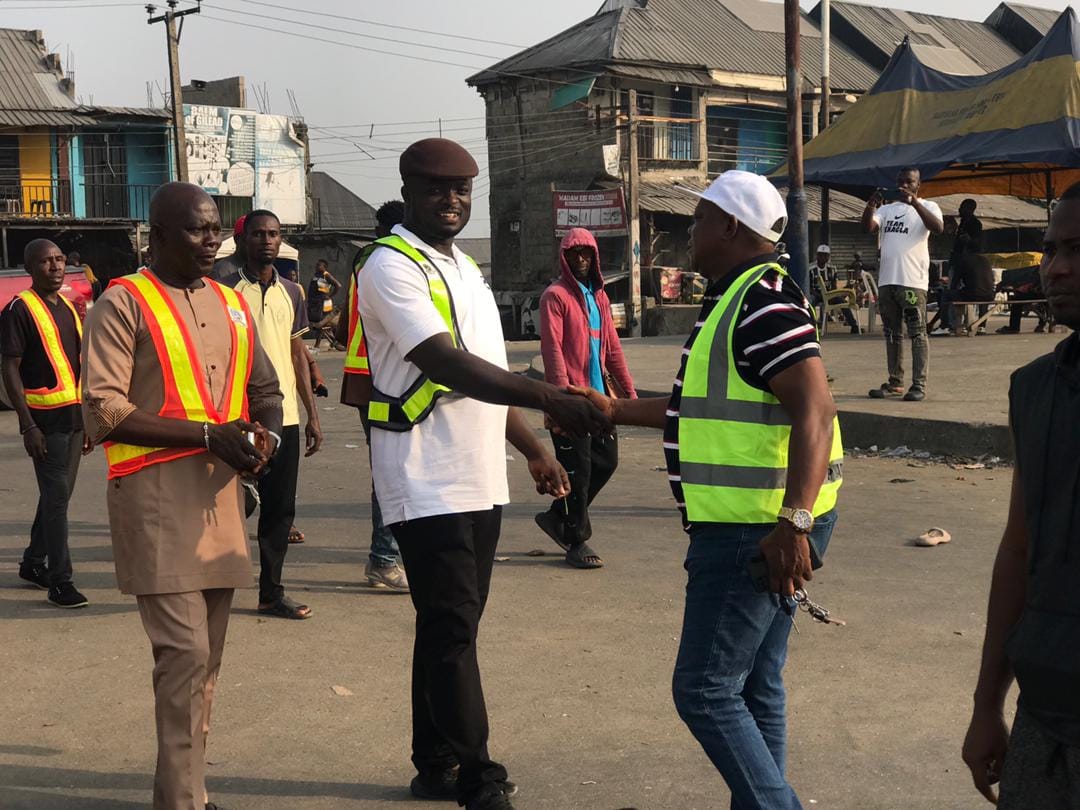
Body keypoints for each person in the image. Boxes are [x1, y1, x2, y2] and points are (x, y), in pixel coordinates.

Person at [571, 171, 843, 808]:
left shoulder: (761, 301)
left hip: (757, 527)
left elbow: (816, 409)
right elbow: (702, 407)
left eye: (697, 220)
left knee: (704, 689)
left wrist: (794, 525)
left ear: (729, 227)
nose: (688, 233)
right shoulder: (739, 298)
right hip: (762, 521)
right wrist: (613, 410)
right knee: (755, 686)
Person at [356, 138, 609, 810]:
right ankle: (479, 775)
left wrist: (530, 447)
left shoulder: (465, 268)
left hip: (477, 475)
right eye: (438, 189)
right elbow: (445, 364)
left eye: (463, 190)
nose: (452, 201)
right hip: (422, 474)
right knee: (452, 623)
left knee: (449, 628)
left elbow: (485, 381)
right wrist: (549, 398)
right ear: (408, 190)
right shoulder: (390, 265)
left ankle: (433, 762)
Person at [81, 182, 284, 810]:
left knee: (207, 662)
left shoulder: (232, 303)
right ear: (159, 235)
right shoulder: (123, 303)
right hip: (153, 497)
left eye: (216, 228)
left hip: (220, 498)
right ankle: (181, 800)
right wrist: (205, 434)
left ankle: (190, 788)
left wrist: (268, 434)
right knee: (185, 655)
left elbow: (267, 386)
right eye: (197, 230)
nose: (212, 240)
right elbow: (103, 408)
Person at [962, 181, 1080, 809]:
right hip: (1043, 712)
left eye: (1078, 250)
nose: (1057, 267)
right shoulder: (1034, 389)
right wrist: (987, 705)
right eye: (1052, 248)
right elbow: (1018, 544)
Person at [222, 209, 323, 617]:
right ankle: (208, 583)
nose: (267, 240)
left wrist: (312, 413)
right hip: (240, 417)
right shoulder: (224, 290)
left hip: (286, 420)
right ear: (243, 240)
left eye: (274, 234)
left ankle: (271, 592)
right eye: (259, 233)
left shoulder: (293, 293)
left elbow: (298, 353)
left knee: (280, 509)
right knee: (233, 506)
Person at [535, 226, 636, 569]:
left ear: (595, 256)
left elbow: (613, 352)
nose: (581, 259)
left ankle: (556, 517)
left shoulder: (599, 298)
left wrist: (630, 397)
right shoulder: (555, 297)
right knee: (579, 471)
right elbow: (552, 353)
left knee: (606, 461)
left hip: (599, 399)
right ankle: (576, 540)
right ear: (564, 258)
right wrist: (561, 402)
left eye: (586, 253)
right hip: (571, 399)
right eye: (574, 253)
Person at [1, 239, 91, 608]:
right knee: (56, 501)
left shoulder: (69, 308)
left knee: (58, 496)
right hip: (44, 423)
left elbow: (78, 366)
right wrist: (27, 425)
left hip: (73, 419)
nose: (55, 266)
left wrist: (89, 420)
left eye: (58, 260)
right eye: (45, 261)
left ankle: (32, 563)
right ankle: (60, 581)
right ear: (29, 268)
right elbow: (9, 367)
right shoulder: (19, 310)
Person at [341, 199, 411, 591]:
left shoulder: (366, 259)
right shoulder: (386, 262)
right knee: (392, 469)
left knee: (394, 467)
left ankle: (390, 554)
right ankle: (383, 558)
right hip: (383, 379)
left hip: (369, 377)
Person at [862, 168, 944, 401]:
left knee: (917, 333)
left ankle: (919, 385)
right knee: (892, 334)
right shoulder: (886, 210)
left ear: (919, 184)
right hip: (888, 281)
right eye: (900, 182)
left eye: (909, 182)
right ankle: (895, 382)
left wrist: (915, 203)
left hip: (912, 282)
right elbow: (867, 227)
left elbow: (938, 228)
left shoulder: (928, 207)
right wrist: (871, 205)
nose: (904, 185)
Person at [934, 199, 986, 335]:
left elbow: (976, 243)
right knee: (953, 291)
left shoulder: (974, 224)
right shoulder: (963, 222)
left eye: (963, 207)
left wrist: (967, 241)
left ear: (970, 209)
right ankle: (959, 323)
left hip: (963, 264)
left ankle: (949, 325)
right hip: (960, 262)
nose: (959, 210)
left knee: (949, 293)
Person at [811, 244, 859, 333]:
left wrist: (834, 294)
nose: (822, 257)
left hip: (829, 294)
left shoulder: (832, 269)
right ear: (817, 255)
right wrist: (819, 295)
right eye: (820, 254)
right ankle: (811, 325)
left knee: (843, 302)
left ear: (828, 257)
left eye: (825, 255)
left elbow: (834, 285)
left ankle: (854, 325)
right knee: (810, 302)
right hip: (815, 294)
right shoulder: (811, 268)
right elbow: (809, 287)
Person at [307, 259, 341, 343]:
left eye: (319, 265)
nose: (316, 266)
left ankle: (317, 344)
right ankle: (335, 340)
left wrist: (330, 296)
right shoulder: (316, 276)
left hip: (323, 304)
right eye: (316, 265)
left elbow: (338, 285)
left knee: (320, 323)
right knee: (320, 323)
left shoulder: (326, 275)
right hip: (315, 303)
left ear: (324, 267)